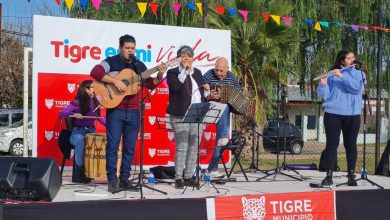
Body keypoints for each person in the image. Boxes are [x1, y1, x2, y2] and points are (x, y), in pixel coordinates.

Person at [90, 34, 167, 192]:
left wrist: (159, 76)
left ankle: (124, 179)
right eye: (127, 48)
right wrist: (115, 81)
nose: (130, 51)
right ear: (120, 48)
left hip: (134, 111)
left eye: (133, 48)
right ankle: (112, 179)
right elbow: (95, 72)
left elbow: (149, 85)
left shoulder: (139, 65)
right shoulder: (111, 61)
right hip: (115, 110)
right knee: (112, 145)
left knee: (130, 147)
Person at [317, 49, 365, 187]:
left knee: (350, 145)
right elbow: (324, 95)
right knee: (331, 145)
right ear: (342, 61)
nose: (353, 60)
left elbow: (356, 89)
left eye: (353, 57)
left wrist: (343, 77)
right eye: (349, 58)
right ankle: (329, 176)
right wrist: (323, 83)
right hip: (332, 114)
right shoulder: (332, 74)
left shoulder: (360, 74)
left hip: (352, 114)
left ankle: (351, 176)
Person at [166, 45, 206, 189]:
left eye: (188, 56)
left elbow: (199, 93)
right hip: (179, 114)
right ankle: (178, 178)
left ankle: (189, 176)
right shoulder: (173, 73)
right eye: (183, 56)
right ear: (178, 59)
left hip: (197, 114)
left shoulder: (198, 73)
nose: (186, 59)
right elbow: (176, 87)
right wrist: (184, 71)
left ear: (193, 58)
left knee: (194, 147)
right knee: (182, 145)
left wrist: (208, 94)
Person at [60, 80, 106, 184]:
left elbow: (100, 118)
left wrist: (112, 126)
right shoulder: (77, 101)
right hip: (77, 132)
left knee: (99, 141)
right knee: (80, 141)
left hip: (91, 131)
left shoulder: (96, 102)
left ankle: (95, 171)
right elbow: (62, 113)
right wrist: (73, 114)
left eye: (94, 88)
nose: (93, 90)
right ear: (84, 89)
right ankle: (80, 172)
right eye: (90, 88)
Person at [203, 57, 240, 179]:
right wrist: (208, 93)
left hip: (224, 112)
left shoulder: (232, 78)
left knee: (218, 139)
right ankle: (224, 136)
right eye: (216, 70)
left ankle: (212, 169)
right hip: (208, 108)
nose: (218, 73)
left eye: (221, 71)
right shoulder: (208, 74)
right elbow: (199, 88)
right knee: (223, 107)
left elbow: (238, 95)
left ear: (227, 69)